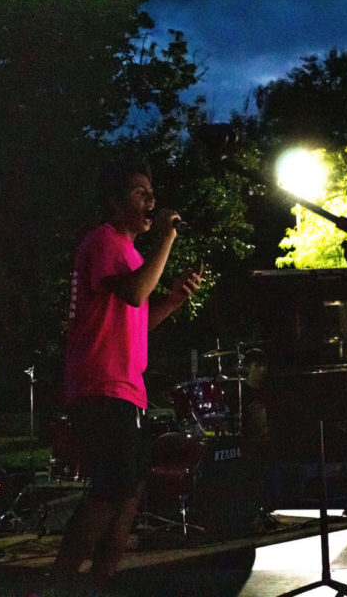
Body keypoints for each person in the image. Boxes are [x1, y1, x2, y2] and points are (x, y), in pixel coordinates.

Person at [52, 160, 201, 586]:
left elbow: (137, 316)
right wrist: (168, 238)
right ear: (115, 202)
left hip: (127, 387)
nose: (151, 200)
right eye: (140, 193)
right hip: (100, 383)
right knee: (112, 488)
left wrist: (172, 300)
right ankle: (58, 583)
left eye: (152, 193)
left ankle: (104, 580)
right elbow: (135, 292)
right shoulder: (103, 241)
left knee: (130, 492)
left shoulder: (131, 253)